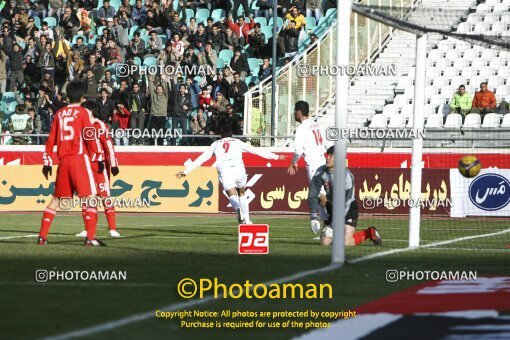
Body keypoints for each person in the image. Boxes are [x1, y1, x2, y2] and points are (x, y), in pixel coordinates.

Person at [176, 120, 286, 224]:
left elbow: (202, 159)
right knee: (241, 192)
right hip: (239, 170)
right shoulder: (238, 142)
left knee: (232, 195)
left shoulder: (215, 144)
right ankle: (247, 221)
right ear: (231, 134)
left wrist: (186, 171)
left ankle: (238, 209)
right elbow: (255, 151)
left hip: (225, 171)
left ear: (220, 135)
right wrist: (276, 157)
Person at [38, 80, 105, 246]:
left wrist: (47, 162)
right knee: (91, 197)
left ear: (67, 96)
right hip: (78, 158)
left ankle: (42, 237)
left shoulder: (59, 114)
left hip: (63, 161)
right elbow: (90, 136)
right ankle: (90, 238)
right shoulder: (82, 113)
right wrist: (98, 156)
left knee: (56, 200)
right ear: (82, 97)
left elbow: (50, 140)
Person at [309, 146, 382, 246]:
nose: (327, 158)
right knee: (324, 243)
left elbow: (346, 203)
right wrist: (313, 217)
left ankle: (369, 232)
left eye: (331, 156)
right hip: (332, 207)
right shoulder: (320, 172)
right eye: (327, 155)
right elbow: (313, 193)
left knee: (345, 243)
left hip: (348, 209)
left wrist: (333, 225)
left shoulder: (346, 176)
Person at [74, 100, 121, 238]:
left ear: (89, 111)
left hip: (98, 166)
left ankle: (112, 228)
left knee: (105, 195)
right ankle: (88, 228)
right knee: (86, 197)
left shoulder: (100, 125)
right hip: (84, 166)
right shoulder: (80, 126)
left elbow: (108, 145)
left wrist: (113, 164)